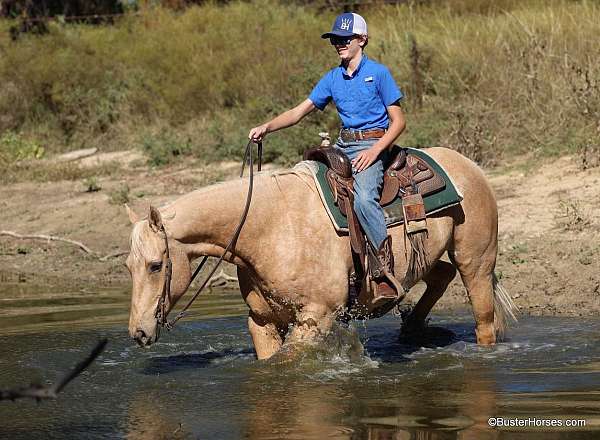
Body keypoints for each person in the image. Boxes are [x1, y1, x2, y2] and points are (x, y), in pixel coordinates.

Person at [249, 12, 406, 303]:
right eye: (335, 39)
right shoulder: (332, 78)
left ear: (362, 40)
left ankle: (384, 271)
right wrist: (267, 127)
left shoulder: (379, 74)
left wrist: (374, 152)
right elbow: (298, 112)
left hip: (373, 143)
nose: (339, 44)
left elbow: (398, 122)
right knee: (308, 187)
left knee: (363, 199)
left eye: (345, 39)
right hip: (343, 144)